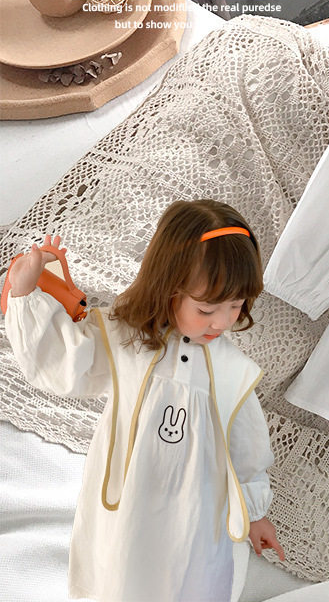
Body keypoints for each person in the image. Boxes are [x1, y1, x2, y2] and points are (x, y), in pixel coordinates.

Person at [3, 199, 284, 602]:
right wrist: (25, 293)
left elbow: (247, 449)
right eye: (207, 308)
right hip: (131, 502)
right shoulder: (126, 339)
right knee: (124, 574)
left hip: (196, 513)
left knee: (191, 581)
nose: (223, 322)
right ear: (168, 289)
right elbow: (63, 363)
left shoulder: (230, 370)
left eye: (236, 306)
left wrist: (256, 514)